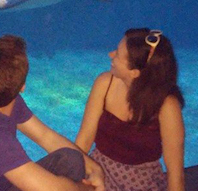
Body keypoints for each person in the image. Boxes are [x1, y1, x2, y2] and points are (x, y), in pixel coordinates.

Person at [0, 34, 104, 191]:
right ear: (22, 87)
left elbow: (45, 136)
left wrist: (95, 169)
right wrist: (87, 188)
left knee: (72, 160)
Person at [75, 28, 185, 191]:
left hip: (142, 183)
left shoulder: (167, 106)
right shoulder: (105, 83)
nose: (111, 55)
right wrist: (73, 177)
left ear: (134, 73)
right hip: (98, 172)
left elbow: (175, 175)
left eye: (118, 55)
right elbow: (84, 140)